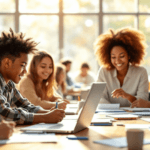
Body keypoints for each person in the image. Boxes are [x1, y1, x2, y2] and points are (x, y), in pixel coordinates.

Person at [0, 28, 65, 125]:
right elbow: (4, 113)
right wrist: (44, 117)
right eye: (22, 65)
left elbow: (25, 105)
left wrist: (50, 114)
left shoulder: (9, 84)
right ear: (7, 63)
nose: (25, 71)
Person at [94, 27, 149, 107]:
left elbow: (143, 101)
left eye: (122, 56)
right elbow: (99, 98)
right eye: (113, 57)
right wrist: (115, 110)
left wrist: (127, 96)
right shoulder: (104, 71)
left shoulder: (141, 72)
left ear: (129, 55)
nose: (117, 61)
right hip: (110, 116)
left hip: (134, 116)